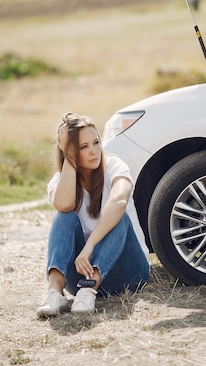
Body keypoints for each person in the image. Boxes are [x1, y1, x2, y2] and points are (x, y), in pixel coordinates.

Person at [37, 112, 150, 317]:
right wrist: (70, 161)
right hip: (78, 282)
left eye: (96, 142)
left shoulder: (114, 166)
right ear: (70, 152)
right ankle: (54, 293)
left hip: (130, 272)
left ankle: (90, 288)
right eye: (83, 147)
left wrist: (89, 246)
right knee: (64, 215)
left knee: (119, 216)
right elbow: (64, 204)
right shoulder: (60, 181)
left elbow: (119, 201)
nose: (94, 151)